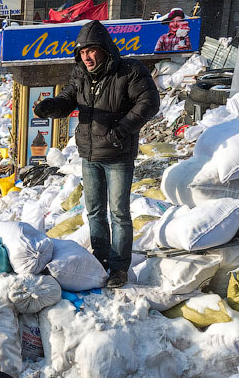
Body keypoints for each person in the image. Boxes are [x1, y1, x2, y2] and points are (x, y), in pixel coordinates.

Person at [33, 20, 159, 289]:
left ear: (104, 49)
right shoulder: (80, 76)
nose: (86, 57)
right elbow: (66, 101)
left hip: (118, 155)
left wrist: (123, 129)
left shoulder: (130, 71)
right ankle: (101, 260)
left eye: (91, 51)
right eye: (82, 52)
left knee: (119, 214)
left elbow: (149, 102)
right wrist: (48, 107)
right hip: (89, 154)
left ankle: (119, 268)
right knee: (94, 212)